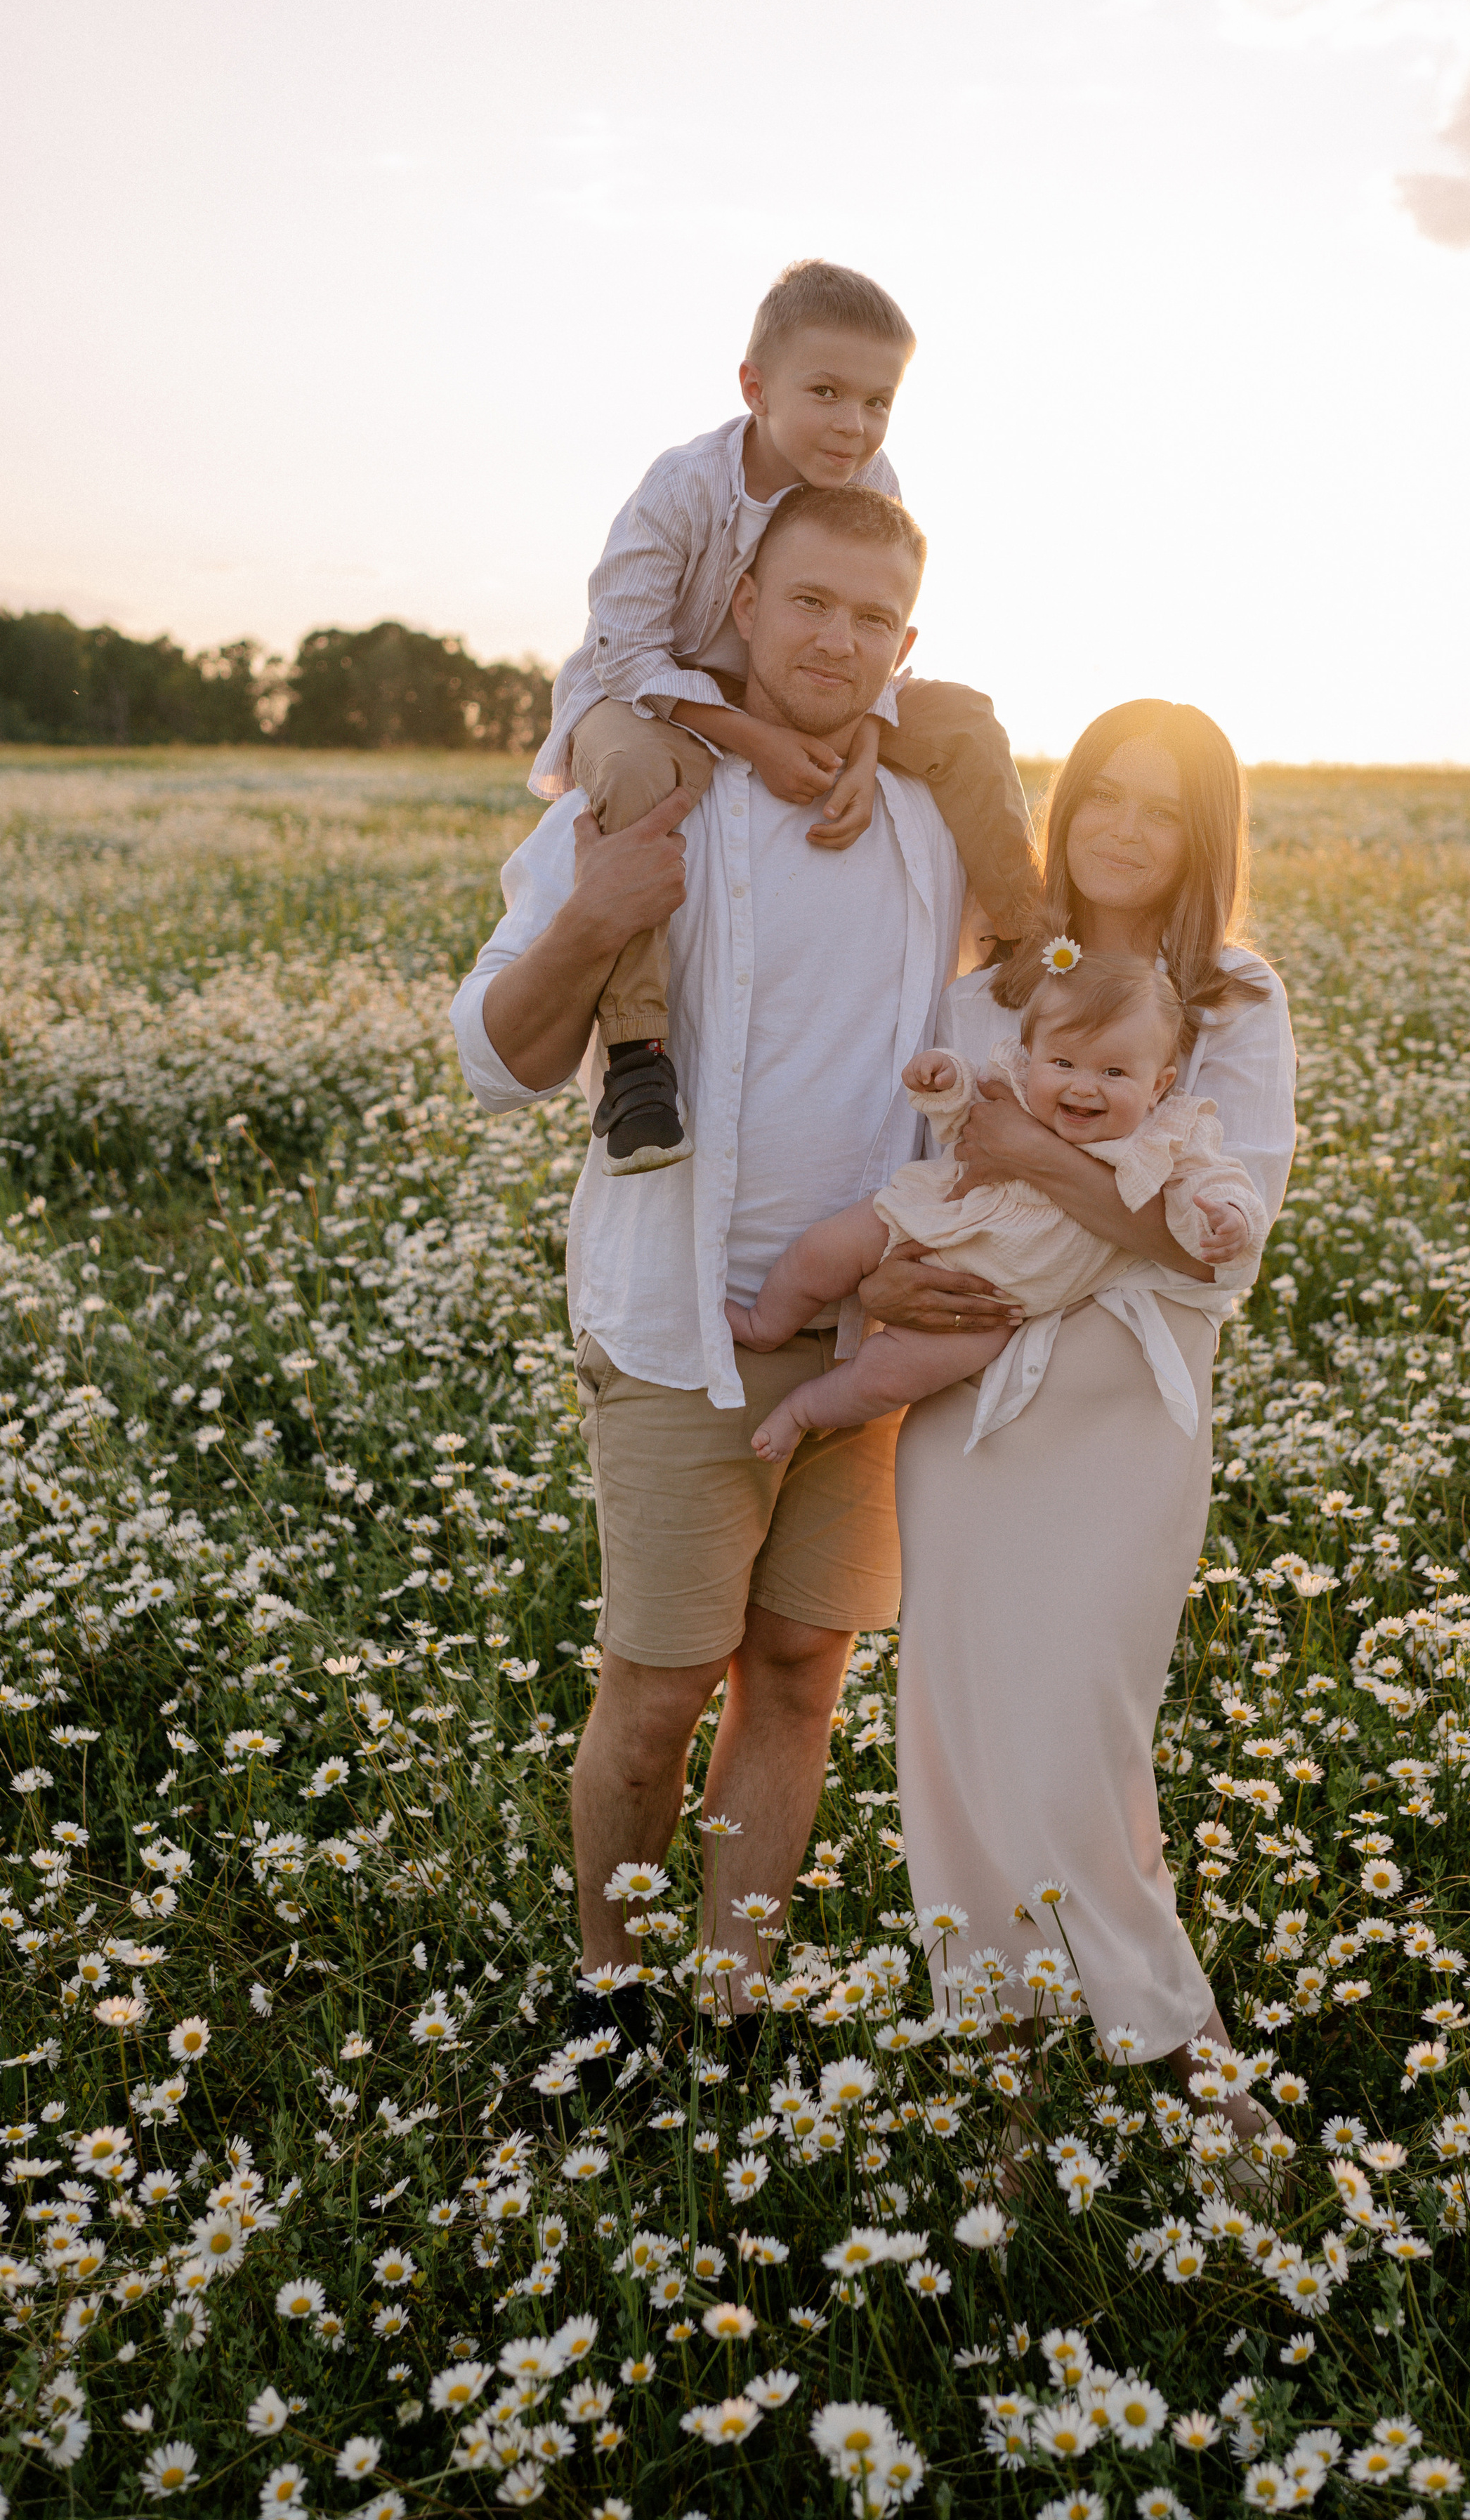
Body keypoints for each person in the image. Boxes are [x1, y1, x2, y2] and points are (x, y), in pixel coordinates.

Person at [448, 481, 969, 2066]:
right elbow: (495, 1059)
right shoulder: (642, 789)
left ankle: (737, 2005)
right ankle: (611, 2001)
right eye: (808, 602)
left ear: (905, 643)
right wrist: (590, 918)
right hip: (677, 1328)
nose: (837, 639)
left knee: (802, 1670)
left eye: (871, 618)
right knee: (662, 1683)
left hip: (862, 1334)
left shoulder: (929, 816)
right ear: (739, 602)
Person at [865, 700, 1298, 2149]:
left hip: (1123, 1409)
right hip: (972, 1398)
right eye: (1100, 793)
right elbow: (941, 1172)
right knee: (958, 1728)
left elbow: (1208, 1247)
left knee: (1075, 1735)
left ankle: (1189, 2056)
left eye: (1159, 807)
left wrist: (1026, 1151)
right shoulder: (992, 989)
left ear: (1201, 837)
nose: (1120, 826)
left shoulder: (1236, 1001)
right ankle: (1006, 2055)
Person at [528, 257, 1039, 1174]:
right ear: (756, 387)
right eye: (828, 393)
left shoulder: (873, 480)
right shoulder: (686, 486)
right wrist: (755, 739)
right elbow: (626, 649)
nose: (854, 425)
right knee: (646, 780)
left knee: (964, 724)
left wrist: (863, 742)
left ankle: (1034, 952)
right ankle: (639, 1058)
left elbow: (873, 614)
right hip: (645, 695)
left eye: (878, 401)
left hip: (805, 692)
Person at [729, 950, 1265, 1464]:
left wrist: (1231, 1215)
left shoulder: (1168, 1135)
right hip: (927, 1214)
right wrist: (943, 1076)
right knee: (822, 1251)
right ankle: (764, 1324)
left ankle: (802, 1410)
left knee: (888, 1379)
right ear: (1031, 1057)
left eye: (1114, 1073)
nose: (1084, 1086)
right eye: (1063, 1062)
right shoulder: (1018, 1087)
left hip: (992, 1304)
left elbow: (1220, 1180)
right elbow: (967, 1099)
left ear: (1159, 1086)